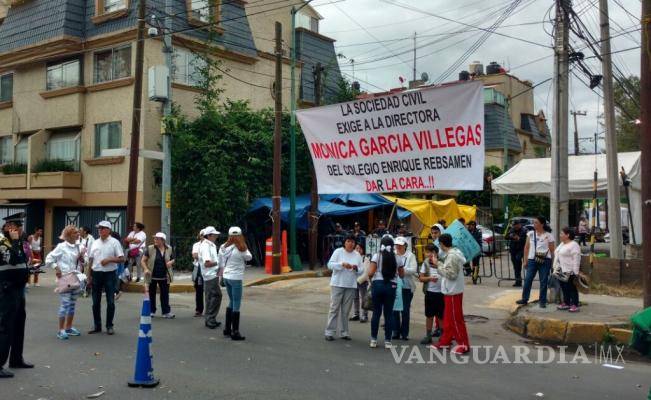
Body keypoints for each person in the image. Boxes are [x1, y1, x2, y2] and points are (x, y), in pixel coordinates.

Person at [0, 212, 33, 378]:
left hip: (19, 289)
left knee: (19, 324)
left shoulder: (17, 241)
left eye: (20, 226)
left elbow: (20, 260)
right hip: (7, 289)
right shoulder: (2, 242)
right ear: (7, 227)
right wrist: (14, 241)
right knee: (5, 327)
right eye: (15, 226)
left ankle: (16, 359)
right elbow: (12, 259)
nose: (19, 229)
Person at [45, 225, 86, 340]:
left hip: (76, 278)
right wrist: (56, 268)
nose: (78, 234)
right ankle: (61, 329)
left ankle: (68, 327)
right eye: (75, 233)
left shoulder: (80, 246)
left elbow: (85, 261)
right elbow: (48, 259)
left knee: (72, 305)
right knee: (65, 304)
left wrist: (83, 259)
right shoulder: (61, 247)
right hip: (65, 278)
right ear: (68, 235)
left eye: (78, 232)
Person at [432, 233, 470, 354]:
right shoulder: (453, 253)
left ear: (442, 244)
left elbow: (451, 274)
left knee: (455, 319)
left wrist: (438, 264)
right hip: (451, 291)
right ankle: (445, 342)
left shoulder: (452, 256)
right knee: (448, 319)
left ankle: (463, 345)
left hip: (453, 291)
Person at [87, 221, 125, 335]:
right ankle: (97, 325)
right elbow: (90, 259)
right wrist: (88, 275)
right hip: (96, 274)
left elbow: (122, 258)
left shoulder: (114, 242)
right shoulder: (95, 242)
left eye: (102, 228)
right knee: (95, 302)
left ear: (108, 230)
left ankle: (109, 325)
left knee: (110, 302)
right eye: (99, 228)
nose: (100, 230)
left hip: (110, 274)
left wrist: (109, 259)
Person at [367, 235, 404, 349]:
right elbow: (402, 275)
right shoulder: (397, 258)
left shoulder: (377, 256)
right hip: (391, 286)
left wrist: (371, 279)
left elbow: (370, 273)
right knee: (389, 314)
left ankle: (373, 340)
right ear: (392, 246)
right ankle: (388, 341)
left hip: (378, 285)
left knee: (376, 313)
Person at [325, 234, 363, 341]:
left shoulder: (357, 255)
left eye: (352, 242)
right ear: (344, 242)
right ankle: (329, 332)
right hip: (337, 284)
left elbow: (362, 270)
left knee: (346, 311)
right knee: (334, 308)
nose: (350, 244)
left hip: (350, 285)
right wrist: (342, 264)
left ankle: (344, 332)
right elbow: (330, 265)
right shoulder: (338, 252)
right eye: (348, 241)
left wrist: (356, 268)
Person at [220, 227, 252, 341]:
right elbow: (249, 257)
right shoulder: (242, 248)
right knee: (236, 303)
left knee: (231, 301)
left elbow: (221, 257)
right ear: (240, 235)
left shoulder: (224, 247)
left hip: (226, 277)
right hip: (236, 278)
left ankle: (227, 329)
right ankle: (235, 331)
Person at [516, 216, 556, 308]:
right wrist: (525, 260)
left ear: (542, 224)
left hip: (545, 260)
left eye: (536, 222)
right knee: (528, 279)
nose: (534, 224)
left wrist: (553, 263)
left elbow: (552, 250)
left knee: (543, 281)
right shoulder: (530, 234)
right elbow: (526, 248)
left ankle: (542, 301)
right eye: (534, 222)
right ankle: (524, 298)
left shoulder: (549, 235)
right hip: (532, 260)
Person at [142, 233, 175, 319]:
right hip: (152, 275)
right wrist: (146, 269)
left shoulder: (169, 248)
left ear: (163, 240)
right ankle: (151, 311)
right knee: (151, 294)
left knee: (165, 294)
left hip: (165, 275)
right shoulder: (150, 248)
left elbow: (173, 259)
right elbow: (143, 260)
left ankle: (166, 312)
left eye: (157, 239)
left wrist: (171, 262)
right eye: (155, 239)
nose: (155, 240)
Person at [392, 236, 417, 341]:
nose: (398, 247)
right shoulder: (393, 254)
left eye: (400, 245)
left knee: (405, 310)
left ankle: (405, 333)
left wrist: (401, 270)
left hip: (406, 286)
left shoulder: (410, 255)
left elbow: (413, 269)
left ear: (405, 245)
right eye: (396, 245)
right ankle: (395, 331)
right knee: (395, 310)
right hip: (395, 286)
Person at [419, 244, 444, 345]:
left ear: (436, 253)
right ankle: (428, 336)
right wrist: (429, 278)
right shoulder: (425, 263)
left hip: (442, 293)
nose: (429, 254)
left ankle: (443, 336)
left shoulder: (442, 262)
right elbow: (421, 278)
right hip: (430, 293)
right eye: (427, 252)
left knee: (441, 316)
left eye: (431, 252)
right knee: (429, 315)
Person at [199, 226, 222, 329]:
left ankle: (210, 319)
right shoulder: (206, 246)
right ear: (209, 235)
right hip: (210, 275)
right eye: (214, 234)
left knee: (211, 297)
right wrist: (219, 262)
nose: (216, 236)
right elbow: (207, 263)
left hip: (212, 274)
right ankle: (210, 319)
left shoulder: (210, 245)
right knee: (216, 296)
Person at [554, 227, 581, 312]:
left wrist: (575, 272)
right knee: (564, 287)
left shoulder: (574, 245)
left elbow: (576, 259)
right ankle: (566, 303)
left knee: (571, 288)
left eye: (562, 234)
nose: (560, 235)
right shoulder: (562, 244)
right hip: (561, 270)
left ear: (567, 235)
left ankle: (575, 304)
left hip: (570, 271)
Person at [350, 243, 369, 323]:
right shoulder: (353, 258)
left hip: (362, 281)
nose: (358, 250)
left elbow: (366, 272)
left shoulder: (365, 259)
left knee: (364, 298)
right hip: (354, 281)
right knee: (355, 298)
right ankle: (356, 314)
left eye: (359, 248)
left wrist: (359, 280)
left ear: (363, 250)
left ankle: (364, 315)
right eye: (356, 248)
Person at [506, 220, 528, 287]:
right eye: (514, 225)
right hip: (513, 250)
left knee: (518, 261)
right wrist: (510, 236)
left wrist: (518, 238)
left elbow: (526, 240)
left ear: (519, 224)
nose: (514, 227)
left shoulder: (524, 230)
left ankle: (524, 281)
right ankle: (518, 281)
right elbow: (506, 237)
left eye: (515, 225)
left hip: (521, 250)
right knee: (515, 266)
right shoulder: (512, 230)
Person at [191, 230, 205, 317]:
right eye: (201, 235)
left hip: (208, 269)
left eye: (204, 235)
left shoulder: (211, 245)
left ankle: (210, 311)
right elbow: (195, 255)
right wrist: (205, 256)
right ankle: (199, 310)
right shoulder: (196, 245)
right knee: (199, 290)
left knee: (209, 291)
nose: (203, 237)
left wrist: (200, 256)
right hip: (198, 268)